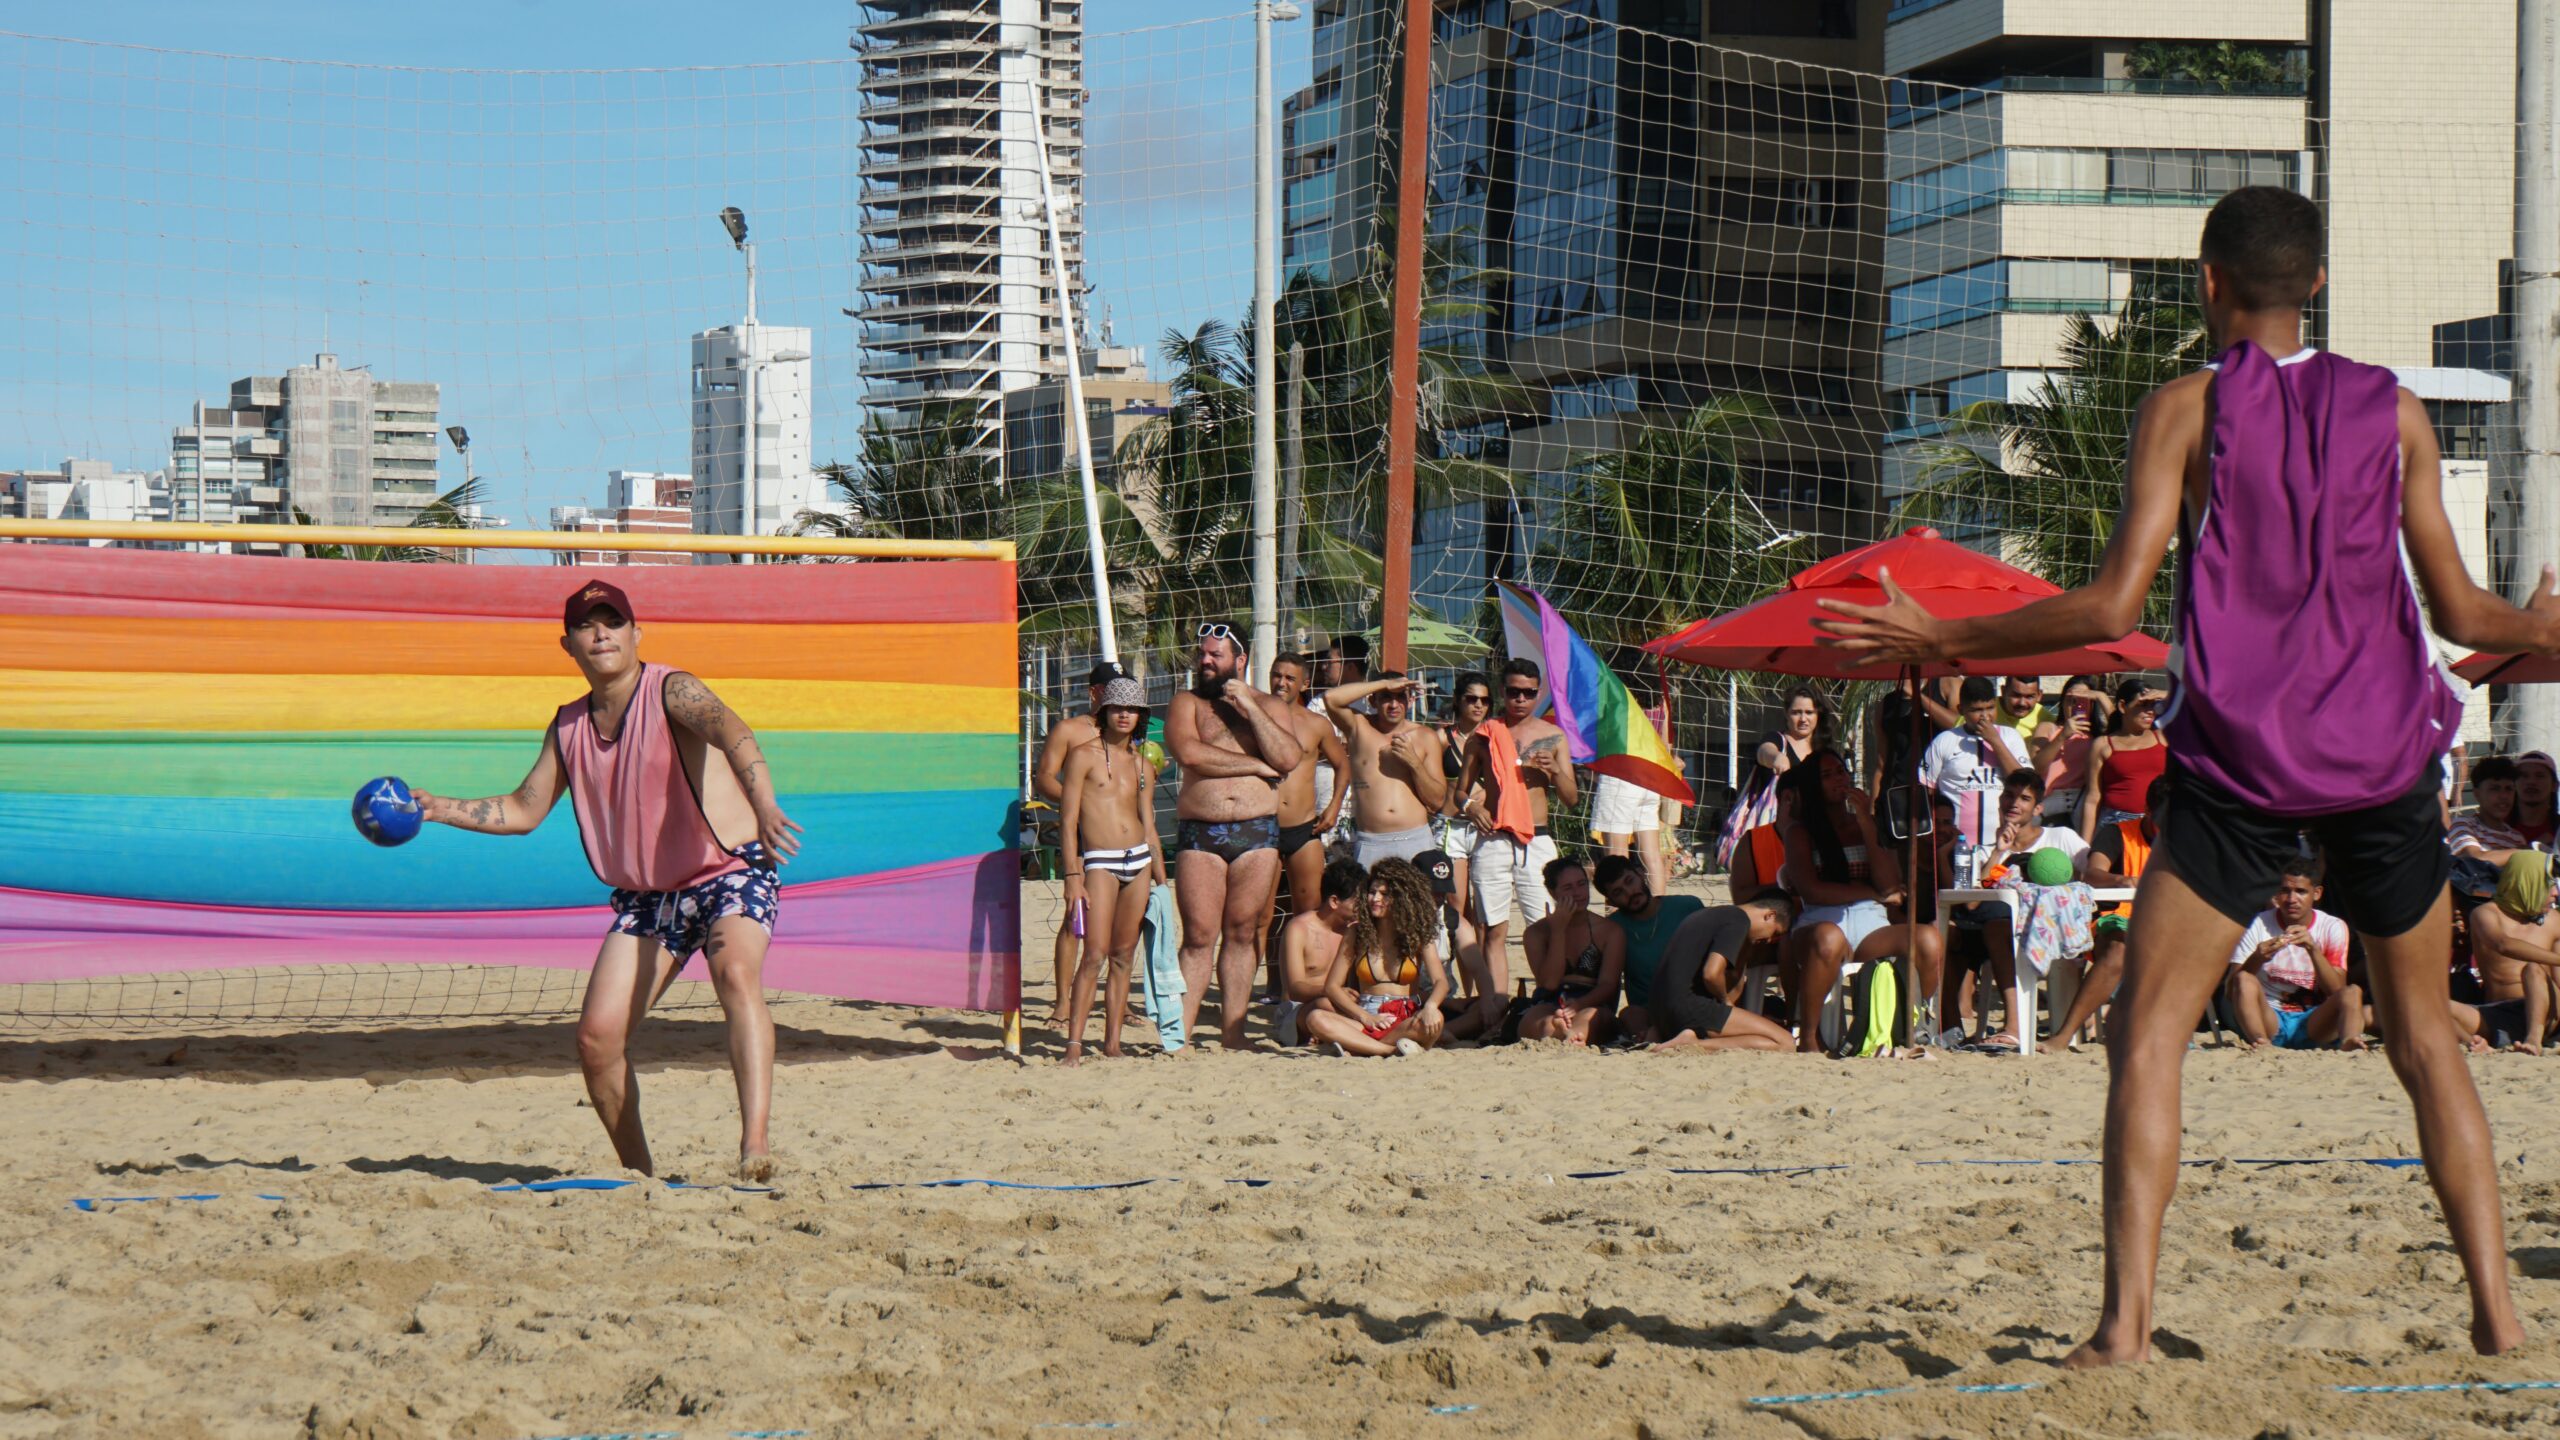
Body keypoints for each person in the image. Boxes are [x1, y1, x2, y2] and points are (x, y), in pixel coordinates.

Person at [1818, 184, 2560, 1362]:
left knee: (2149, 1036)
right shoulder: (2398, 411)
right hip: (2381, 760)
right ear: (2314, 286)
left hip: (2239, 763)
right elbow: (2466, 610)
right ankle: (2499, 1315)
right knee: (2425, 1043)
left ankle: (2123, 1329)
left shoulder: (2185, 408)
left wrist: (1941, 640)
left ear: (2207, 283)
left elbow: (2112, 604)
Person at [413, 579, 801, 1180]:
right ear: (567, 644)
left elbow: (732, 730)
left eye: (613, 621)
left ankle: (754, 1148)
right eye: (587, 625)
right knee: (597, 1042)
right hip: (651, 897)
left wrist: (767, 804)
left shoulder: (673, 689)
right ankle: (640, 1180)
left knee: (735, 972)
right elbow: (523, 809)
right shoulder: (568, 726)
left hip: (729, 870)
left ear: (635, 634)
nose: (601, 633)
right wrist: (439, 807)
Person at [1166, 623, 1306, 1050]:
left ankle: (1234, 1034)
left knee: (1244, 932)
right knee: (1198, 936)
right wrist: (1254, 766)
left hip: (1256, 832)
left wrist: (1250, 705)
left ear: (1240, 661)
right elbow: (1189, 753)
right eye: (1203, 654)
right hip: (1200, 832)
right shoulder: (1186, 702)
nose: (1205, 662)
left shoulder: (1267, 705)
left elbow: (1286, 758)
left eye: (1216, 656)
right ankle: (1179, 1036)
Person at [1449, 658, 1579, 1037]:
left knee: (1549, 925)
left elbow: (1571, 798)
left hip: (1536, 838)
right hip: (1493, 837)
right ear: (1502, 692)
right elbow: (1460, 790)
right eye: (1512, 691)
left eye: (1527, 692)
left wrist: (1553, 771)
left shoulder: (1552, 737)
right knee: (1493, 928)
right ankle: (1496, 1007)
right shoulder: (1485, 734)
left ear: (1538, 693)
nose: (1519, 698)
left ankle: (1548, 1004)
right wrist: (1471, 807)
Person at [1775, 751, 1925, 1054]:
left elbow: (1888, 884)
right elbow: (1812, 891)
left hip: (1871, 925)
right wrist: (1871, 894)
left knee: (1928, 939)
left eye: (1841, 772)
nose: (1839, 780)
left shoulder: (1866, 823)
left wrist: (1868, 825)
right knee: (1829, 937)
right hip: (1820, 921)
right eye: (1827, 776)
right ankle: (1809, 1036)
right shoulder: (1800, 832)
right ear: (1813, 787)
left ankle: (1918, 1028)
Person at [1058, 676, 1167, 1066]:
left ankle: (1112, 1042)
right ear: (1104, 711)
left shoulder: (1142, 762)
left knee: (1124, 955)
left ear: (1141, 716)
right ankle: (1073, 1043)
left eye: (1132, 709)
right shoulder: (1083, 754)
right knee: (1094, 954)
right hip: (1100, 860)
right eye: (1118, 707)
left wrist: (1162, 882)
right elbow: (1067, 819)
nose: (1125, 715)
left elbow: (1149, 822)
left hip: (1137, 859)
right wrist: (1072, 876)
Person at [1942, 768, 2088, 1049]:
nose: (2014, 804)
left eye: (2024, 798)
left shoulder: (2060, 838)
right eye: (2009, 796)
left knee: (1998, 927)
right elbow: (1973, 901)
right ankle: (1951, 1029)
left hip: (2048, 932)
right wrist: (1999, 851)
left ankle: (2015, 1027)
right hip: (1995, 934)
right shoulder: (1986, 851)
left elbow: (2091, 869)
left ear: (2038, 807)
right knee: (1952, 935)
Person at [2042, 775, 2171, 1053]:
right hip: (2117, 920)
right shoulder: (2118, 833)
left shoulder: (2186, 842)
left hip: (2168, 926)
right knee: (2118, 950)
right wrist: (2121, 880)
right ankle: (2064, 1036)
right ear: (2148, 811)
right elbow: (2092, 874)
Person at [1033, 659, 1127, 1026]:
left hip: (1119, 836)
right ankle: (1062, 1001)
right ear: (1094, 693)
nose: (1119, 700)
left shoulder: (1127, 732)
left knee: (1120, 923)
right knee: (1076, 915)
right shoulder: (1071, 730)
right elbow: (1043, 778)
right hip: (1084, 833)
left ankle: (1119, 1001)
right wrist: (1080, 802)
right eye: (1110, 692)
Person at [1301, 857, 1451, 1056]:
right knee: (1316, 1018)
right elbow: (1332, 987)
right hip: (1366, 1016)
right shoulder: (1357, 932)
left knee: (1435, 1020)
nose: (1375, 899)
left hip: (1404, 1017)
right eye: (1372, 892)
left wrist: (1431, 1006)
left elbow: (1441, 981)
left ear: (1401, 898)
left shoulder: (1417, 934)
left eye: (1384, 894)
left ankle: (1359, 1047)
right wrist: (1365, 1017)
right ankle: (1388, 1050)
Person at [1262, 653, 1350, 985]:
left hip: (1304, 828)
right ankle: (1273, 984)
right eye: (1276, 675)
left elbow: (1344, 765)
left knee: (1309, 914)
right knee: (1261, 916)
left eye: (1289, 678)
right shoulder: (1254, 717)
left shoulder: (1315, 725)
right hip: (1263, 827)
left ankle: (1307, 984)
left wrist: (1334, 808)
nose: (1281, 683)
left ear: (1305, 683)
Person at [2225, 857, 2365, 1052]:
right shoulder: (2259, 923)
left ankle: (2350, 1040)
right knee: (2243, 979)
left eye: (2300, 891)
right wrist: (2257, 958)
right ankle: (2260, 1042)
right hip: (2271, 1017)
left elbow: (2336, 990)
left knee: (2352, 992)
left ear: (2316, 894)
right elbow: (2231, 990)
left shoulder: (2332, 926)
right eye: (2285, 891)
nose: (2291, 899)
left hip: (2314, 1021)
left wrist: (2313, 949)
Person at [1325, 671, 1451, 869]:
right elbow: (1331, 698)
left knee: (1416, 900)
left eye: (1400, 697)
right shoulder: (1359, 727)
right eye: (1386, 697)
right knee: (1371, 900)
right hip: (1372, 842)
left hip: (1415, 840)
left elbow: (1436, 801)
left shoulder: (1425, 736)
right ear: (1373, 700)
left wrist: (1414, 763)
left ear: (1410, 700)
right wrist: (1384, 683)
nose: (1394, 705)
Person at [1649, 893, 1800, 1053]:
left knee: (1763, 1036)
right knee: (1786, 1042)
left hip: (1658, 1011)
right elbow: (1712, 974)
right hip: (1687, 1007)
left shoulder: (1709, 915)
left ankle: (1672, 1036)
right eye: (1775, 933)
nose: (1769, 940)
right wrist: (1725, 1001)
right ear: (1769, 916)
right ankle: (1691, 1043)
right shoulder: (1738, 919)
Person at [1592, 852, 1705, 1044]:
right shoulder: (1612, 928)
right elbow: (1607, 981)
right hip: (1647, 1010)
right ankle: (1655, 1036)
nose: (1630, 893)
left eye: (1630, 881)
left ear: (1641, 874)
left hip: (1693, 1000)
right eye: (1618, 892)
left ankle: (1665, 1035)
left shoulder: (1687, 907)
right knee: (1629, 1014)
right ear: (1610, 901)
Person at [1516, 855, 1625, 1046]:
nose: (1578, 893)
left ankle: (1572, 1034)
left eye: (1582, 884)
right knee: (1535, 1018)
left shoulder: (1609, 931)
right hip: (1550, 999)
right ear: (1552, 892)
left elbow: (1608, 985)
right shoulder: (1536, 933)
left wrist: (1578, 1005)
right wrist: (1558, 931)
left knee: (1590, 1016)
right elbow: (1549, 983)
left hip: (1592, 999)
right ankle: (1558, 1030)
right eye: (1568, 888)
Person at [2458, 850, 2559, 1055]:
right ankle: (2475, 1043)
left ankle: (2534, 1040)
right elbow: (2503, 944)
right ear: (2527, 882)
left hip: (2548, 1015)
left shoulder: (2555, 921)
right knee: (2439, 1009)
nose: (2555, 893)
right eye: (2549, 885)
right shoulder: (2486, 914)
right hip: (2500, 1016)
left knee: (2533, 969)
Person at [1435, 672, 1494, 981]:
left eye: (1485, 700)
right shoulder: (1440, 737)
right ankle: (1469, 987)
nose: (1478, 705)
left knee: (1485, 913)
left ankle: (1483, 986)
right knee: (1457, 907)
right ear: (1457, 699)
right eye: (1471, 698)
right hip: (1452, 827)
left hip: (1487, 826)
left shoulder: (1497, 737)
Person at [1919, 678, 2024, 849]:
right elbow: (1926, 790)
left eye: (1990, 708)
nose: (1985, 716)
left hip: (2003, 844)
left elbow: (2023, 783)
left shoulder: (2010, 737)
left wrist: (1995, 741)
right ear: (1961, 710)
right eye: (1976, 710)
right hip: (1955, 846)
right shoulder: (1945, 741)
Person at [1271, 857, 1365, 1049]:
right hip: (1298, 1009)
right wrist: (1332, 991)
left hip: (1346, 1007)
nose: (1363, 908)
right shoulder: (1299, 928)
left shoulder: (1356, 931)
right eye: (1357, 902)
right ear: (1334, 901)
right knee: (1325, 1004)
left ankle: (1337, 1034)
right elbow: (1294, 989)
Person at [2076, 679, 2170, 838]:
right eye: (2142, 705)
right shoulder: (2103, 744)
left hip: (2157, 824)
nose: (2150, 711)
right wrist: (2085, 845)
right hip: (2116, 825)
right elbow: (2093, 798)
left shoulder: (2163, 737)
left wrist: (2164, 694)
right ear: (2122, 706)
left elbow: (2195, 703)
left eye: (2152, 705)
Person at [2448, 754, 2526, 912]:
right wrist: (2525, 854)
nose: (2503, 796)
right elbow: (2475, 858)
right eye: (2494, 788)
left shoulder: (2516, 837)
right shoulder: (2463, 825)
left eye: (2509, 789)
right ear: (2476, 793)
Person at [2032, 675, 2110, 827]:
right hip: (2048, 805)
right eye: (2071, 700)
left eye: (2083, 700)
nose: (2076, 705)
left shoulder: (2098, 737)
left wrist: (2101, 697)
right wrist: (2062, 736)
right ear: (2062, 702)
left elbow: (2120, 724)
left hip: (2080, 807)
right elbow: (2036, 767)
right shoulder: (2048, 728)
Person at [2512, 750, 2557, 848]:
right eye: (2524, 776)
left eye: (2540, 776)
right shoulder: (2495, 826)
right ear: (2513, 784)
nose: (2531, 782)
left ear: (2555, 785)